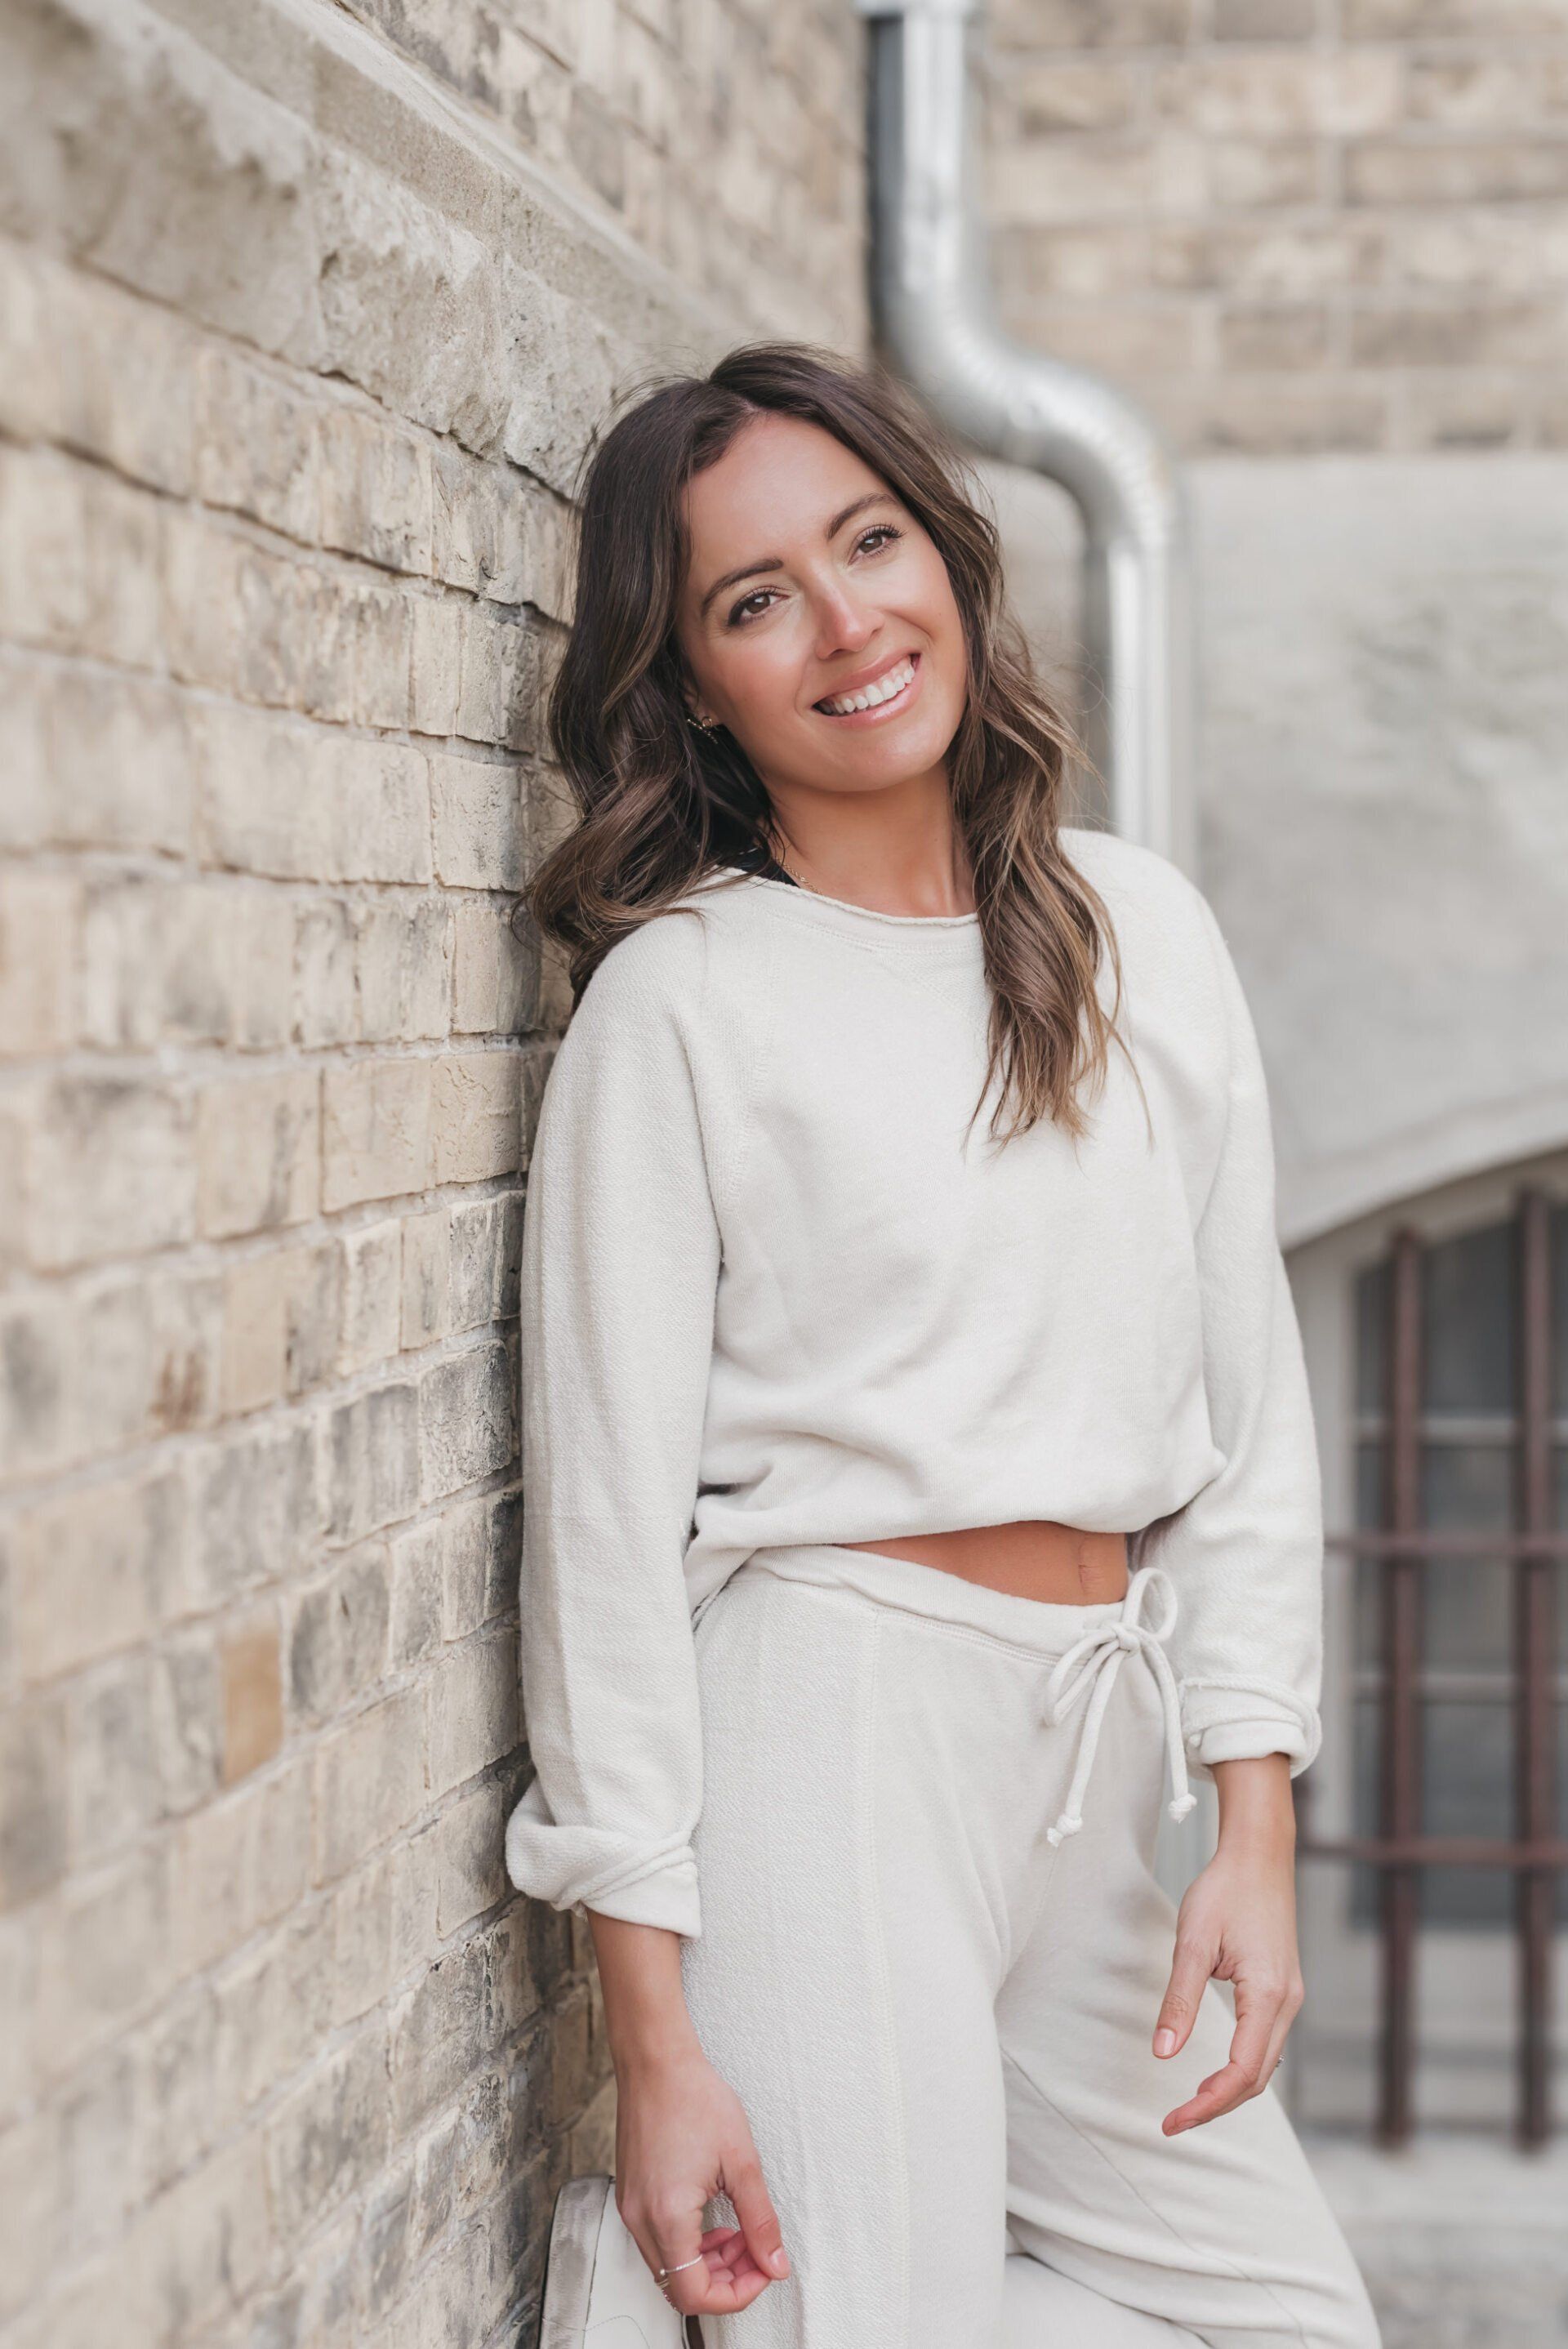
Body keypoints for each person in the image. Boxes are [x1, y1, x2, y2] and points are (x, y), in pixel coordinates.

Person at [504, 341, 1381, 2349]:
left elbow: (1244, 1412)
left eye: (870, 541)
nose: (843, 624)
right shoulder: (688, 1006)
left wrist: (1255, 1819)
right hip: (828, 1737)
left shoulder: (1136, 927)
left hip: (1089, 1763)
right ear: (693, 679)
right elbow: (608, 1547)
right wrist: (657, 2042)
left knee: (1285, 2320)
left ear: (948, 556)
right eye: (753, 600)